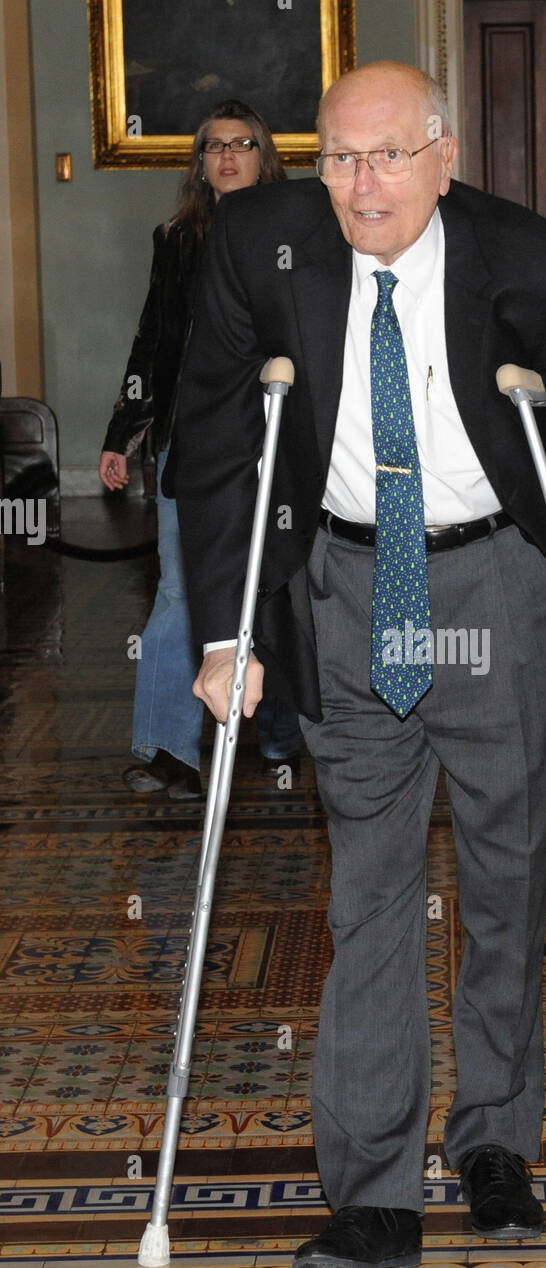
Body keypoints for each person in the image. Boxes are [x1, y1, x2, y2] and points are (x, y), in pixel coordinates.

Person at [171, 61, 546, 1268]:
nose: (361, 183)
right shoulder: (256, 246)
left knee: (505, 878)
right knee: (370, 893)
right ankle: (374, 1186)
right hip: (345, 592)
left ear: (444, 155)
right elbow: (221, 429)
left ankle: (494, 1140)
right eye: (339, 156)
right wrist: (225, 632)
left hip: (498, 585)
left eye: (388, 155)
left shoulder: (531, 261)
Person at [99, 98, 300, 798]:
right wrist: (124, 433)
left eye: (242, 144)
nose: (227, 156)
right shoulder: (178, 239)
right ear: (201, 163)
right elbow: (152, 339)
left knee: (283, 579)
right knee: (182, 590)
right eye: (214, 146)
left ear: (263, 156)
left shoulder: (303, 233)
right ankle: (167, 749)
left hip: (283, 439)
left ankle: (281, 731)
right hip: (196, 442)